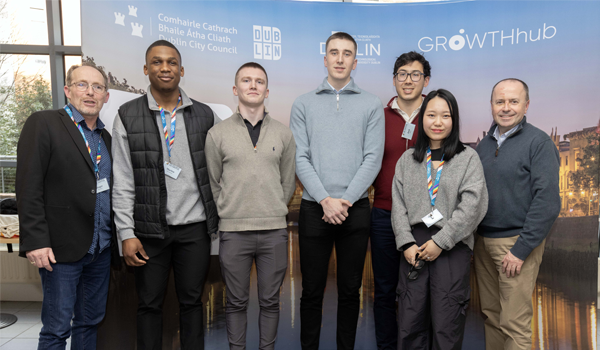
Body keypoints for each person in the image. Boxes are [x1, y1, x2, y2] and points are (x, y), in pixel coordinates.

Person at [111, 40, 220, 350]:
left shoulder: (204, 115)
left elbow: (219, 170)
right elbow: (122, 180)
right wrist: (126, 233)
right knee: (148, 306)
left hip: (195, 230)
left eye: (171, 62)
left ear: (181, 70)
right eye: (157, 62)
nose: (165, 68)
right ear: (146, 70)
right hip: (148, 232)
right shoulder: (127, 115)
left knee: (192, 304)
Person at [289, 32, 385, 350]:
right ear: (325, 59)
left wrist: (344, 200)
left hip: (354, 209)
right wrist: (325, 200)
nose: (340, 59)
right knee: (312, 292)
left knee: (350, 290)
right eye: (334, 52)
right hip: (314, 208)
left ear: (355, 62)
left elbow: (373, 158)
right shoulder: (302, 103)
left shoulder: (371, 104)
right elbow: (299, 158)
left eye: (347, 54)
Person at [16, 63, 116, 349]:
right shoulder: (44, 123)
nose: (90, 92)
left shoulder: (105, 139)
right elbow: (28, 186)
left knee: (89, 323)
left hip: (100, 250)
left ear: (106, 97)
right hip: (60, 250)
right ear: (67, 90)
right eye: (82, 84)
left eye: (97, 87)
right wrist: (36, 241)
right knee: (57, 330)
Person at [205, 62, 296, 350]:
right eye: (246, 80)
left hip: (273, 233)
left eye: (259, 81)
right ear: (236, 89)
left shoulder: (283, 134)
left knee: (270, 302)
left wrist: (272, 208)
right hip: (233, 232)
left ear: (267, 91)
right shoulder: (216, 134)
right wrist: (231, 211)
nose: (253, 85)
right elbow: (213, 182)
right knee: (235, 302)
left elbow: (288, 182)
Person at [391, 89, 488, 349]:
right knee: (410, 325)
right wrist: (406, 243)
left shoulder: (468, 158)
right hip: (414, 248)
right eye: (431, 115)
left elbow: (473, 206)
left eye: (445, 116)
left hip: (452, 248)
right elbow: (398, 206)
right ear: (422, 119)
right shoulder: (407, 160)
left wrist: (442, 241)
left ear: (454, 120)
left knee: (447, 326)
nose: (437, 122)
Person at [474, 79, 560, 350]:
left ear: (526, 105)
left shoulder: (539, 142)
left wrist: (521, 249)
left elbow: (547, 201)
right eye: (500, 102)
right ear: (491, 105)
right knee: (492, 316)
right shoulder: (484, 146)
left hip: (515, 246)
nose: (506, 108)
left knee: (515, 323)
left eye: (513, 101)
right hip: (483, 244)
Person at [371, 51, 431, 350]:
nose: (408, 80)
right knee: (383, 292)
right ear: (394, 79)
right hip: (383, 214)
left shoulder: (435, 115)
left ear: (426, 80)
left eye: (415, 74)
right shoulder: (378, 117)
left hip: (423, 221)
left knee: (419, 292)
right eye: (402, 74)